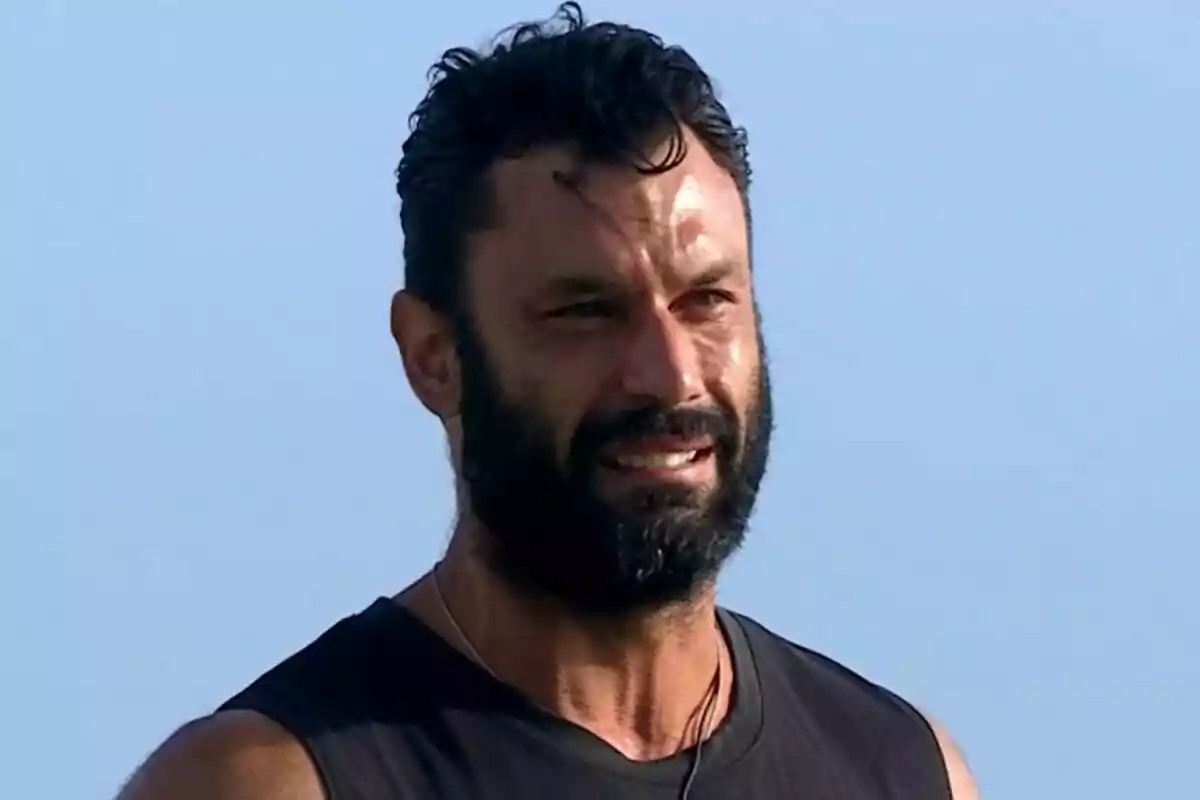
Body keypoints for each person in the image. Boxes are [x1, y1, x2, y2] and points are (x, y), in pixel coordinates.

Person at [118, 4, 979, 798]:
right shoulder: (275, 780)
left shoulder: (900, 769)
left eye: (706, 300)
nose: (670, 375)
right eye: (585, 312)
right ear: (433, 356)